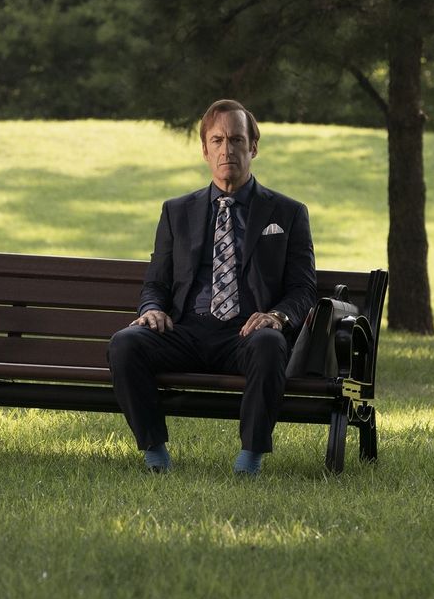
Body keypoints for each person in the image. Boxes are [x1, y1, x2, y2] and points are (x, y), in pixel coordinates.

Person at [108, 99, 316, 475]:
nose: (227, 149)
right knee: (125, 343)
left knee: (271, 344)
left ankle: (250, 458)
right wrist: (151, 309)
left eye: (236, 140)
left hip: (245, 334)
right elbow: (156, 281)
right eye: (217, 140)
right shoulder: (177, 211)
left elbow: (303, 288)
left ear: (253, 147)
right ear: (205, 150)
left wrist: (276, 316)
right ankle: (155, 453)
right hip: (186, 330)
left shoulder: (287, 213)